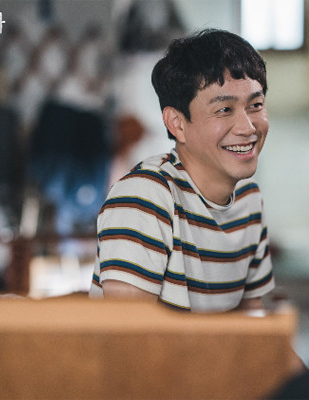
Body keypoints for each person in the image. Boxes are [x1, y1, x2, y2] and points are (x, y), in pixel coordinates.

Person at [89, 29, 273, 312]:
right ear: (177, 124)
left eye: (256, 105)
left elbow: (252, 324)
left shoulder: (249, 200)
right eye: (224, 109)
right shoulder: (144, 199)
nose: (248, 127)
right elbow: (130, 335)